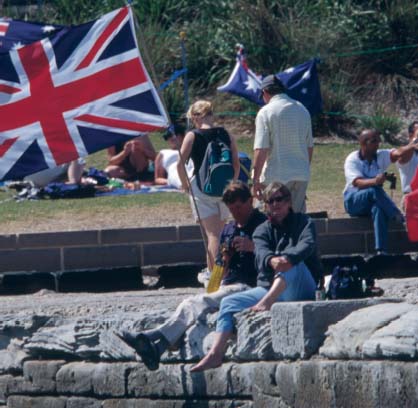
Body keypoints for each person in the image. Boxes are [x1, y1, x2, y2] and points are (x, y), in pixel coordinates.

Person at [116, 181, 267, 370]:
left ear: (250, 202)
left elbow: (274, 259)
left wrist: (252, 247)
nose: (236, 212)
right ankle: (157, 347)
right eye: (231, 208)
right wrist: (225, 259)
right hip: (228, 286)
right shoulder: (228, 229)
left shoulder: (262, 225)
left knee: (193, 303)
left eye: (239, 207)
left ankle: (150, 337)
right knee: (194, 303)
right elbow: (218, 276)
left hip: (250, 286)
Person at [190, 182, 320, 372]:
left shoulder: (304, 222)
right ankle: (215, 354)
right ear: (265, 205)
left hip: (300, 284)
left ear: (289, 202)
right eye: (271, 201)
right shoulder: (262, 230)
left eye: (280, 199)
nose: (276, 204)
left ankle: (266, 303)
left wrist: (284, 259)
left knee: (291, 264)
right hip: (270, 287)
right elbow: (261, 252)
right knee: (227, 304)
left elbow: (306, 246)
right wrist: (269, 260)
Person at [177, 100, 240, 273]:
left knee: (213, 235)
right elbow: (236, 164)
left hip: (202, 188)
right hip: (225, 189)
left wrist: (185, 185)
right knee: (221, 233)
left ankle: (215, 276)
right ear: (211, 114)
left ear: (195, 117)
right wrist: (231, 184)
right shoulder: (226, 134)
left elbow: (179, 164)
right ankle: (222, 272)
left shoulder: (192, 135)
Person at [343, 128, 418, 254]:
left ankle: (381, 250)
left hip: (373, 201)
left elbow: (397, 153)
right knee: (374, 190)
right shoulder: (353, 159)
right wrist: (375, 181)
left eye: (378, 141)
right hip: (353, 200)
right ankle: (399, 217)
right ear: (364, 143)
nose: (377, 144)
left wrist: (412, 146)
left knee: (378, 209)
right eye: (374, 141)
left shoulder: (380, 155)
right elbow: (357, 183)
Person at [252, 75, 313, 213]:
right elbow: (309, 147)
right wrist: (303, 168)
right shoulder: (302, 110)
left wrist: (255, 181)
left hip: (275, 177)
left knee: (271, 220)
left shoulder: (265, 112)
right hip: (300, 175)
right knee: (296, 221)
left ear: (265, 92)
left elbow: (261, 149)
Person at [154, 124, 193, 189]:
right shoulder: (163, 153)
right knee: (175, 173)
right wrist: (169, 181)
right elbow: (158, 179)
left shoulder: (191, 149)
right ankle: (184, 184)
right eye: (167, 137)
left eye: (173, 135)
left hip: (191, 168)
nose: (171, 138)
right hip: (175, 174)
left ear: (183, 135)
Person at [396, 121, 418, 198]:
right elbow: (402, 159)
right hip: (412, 197)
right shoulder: (406, 154)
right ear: (410, 135)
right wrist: (415, 140)